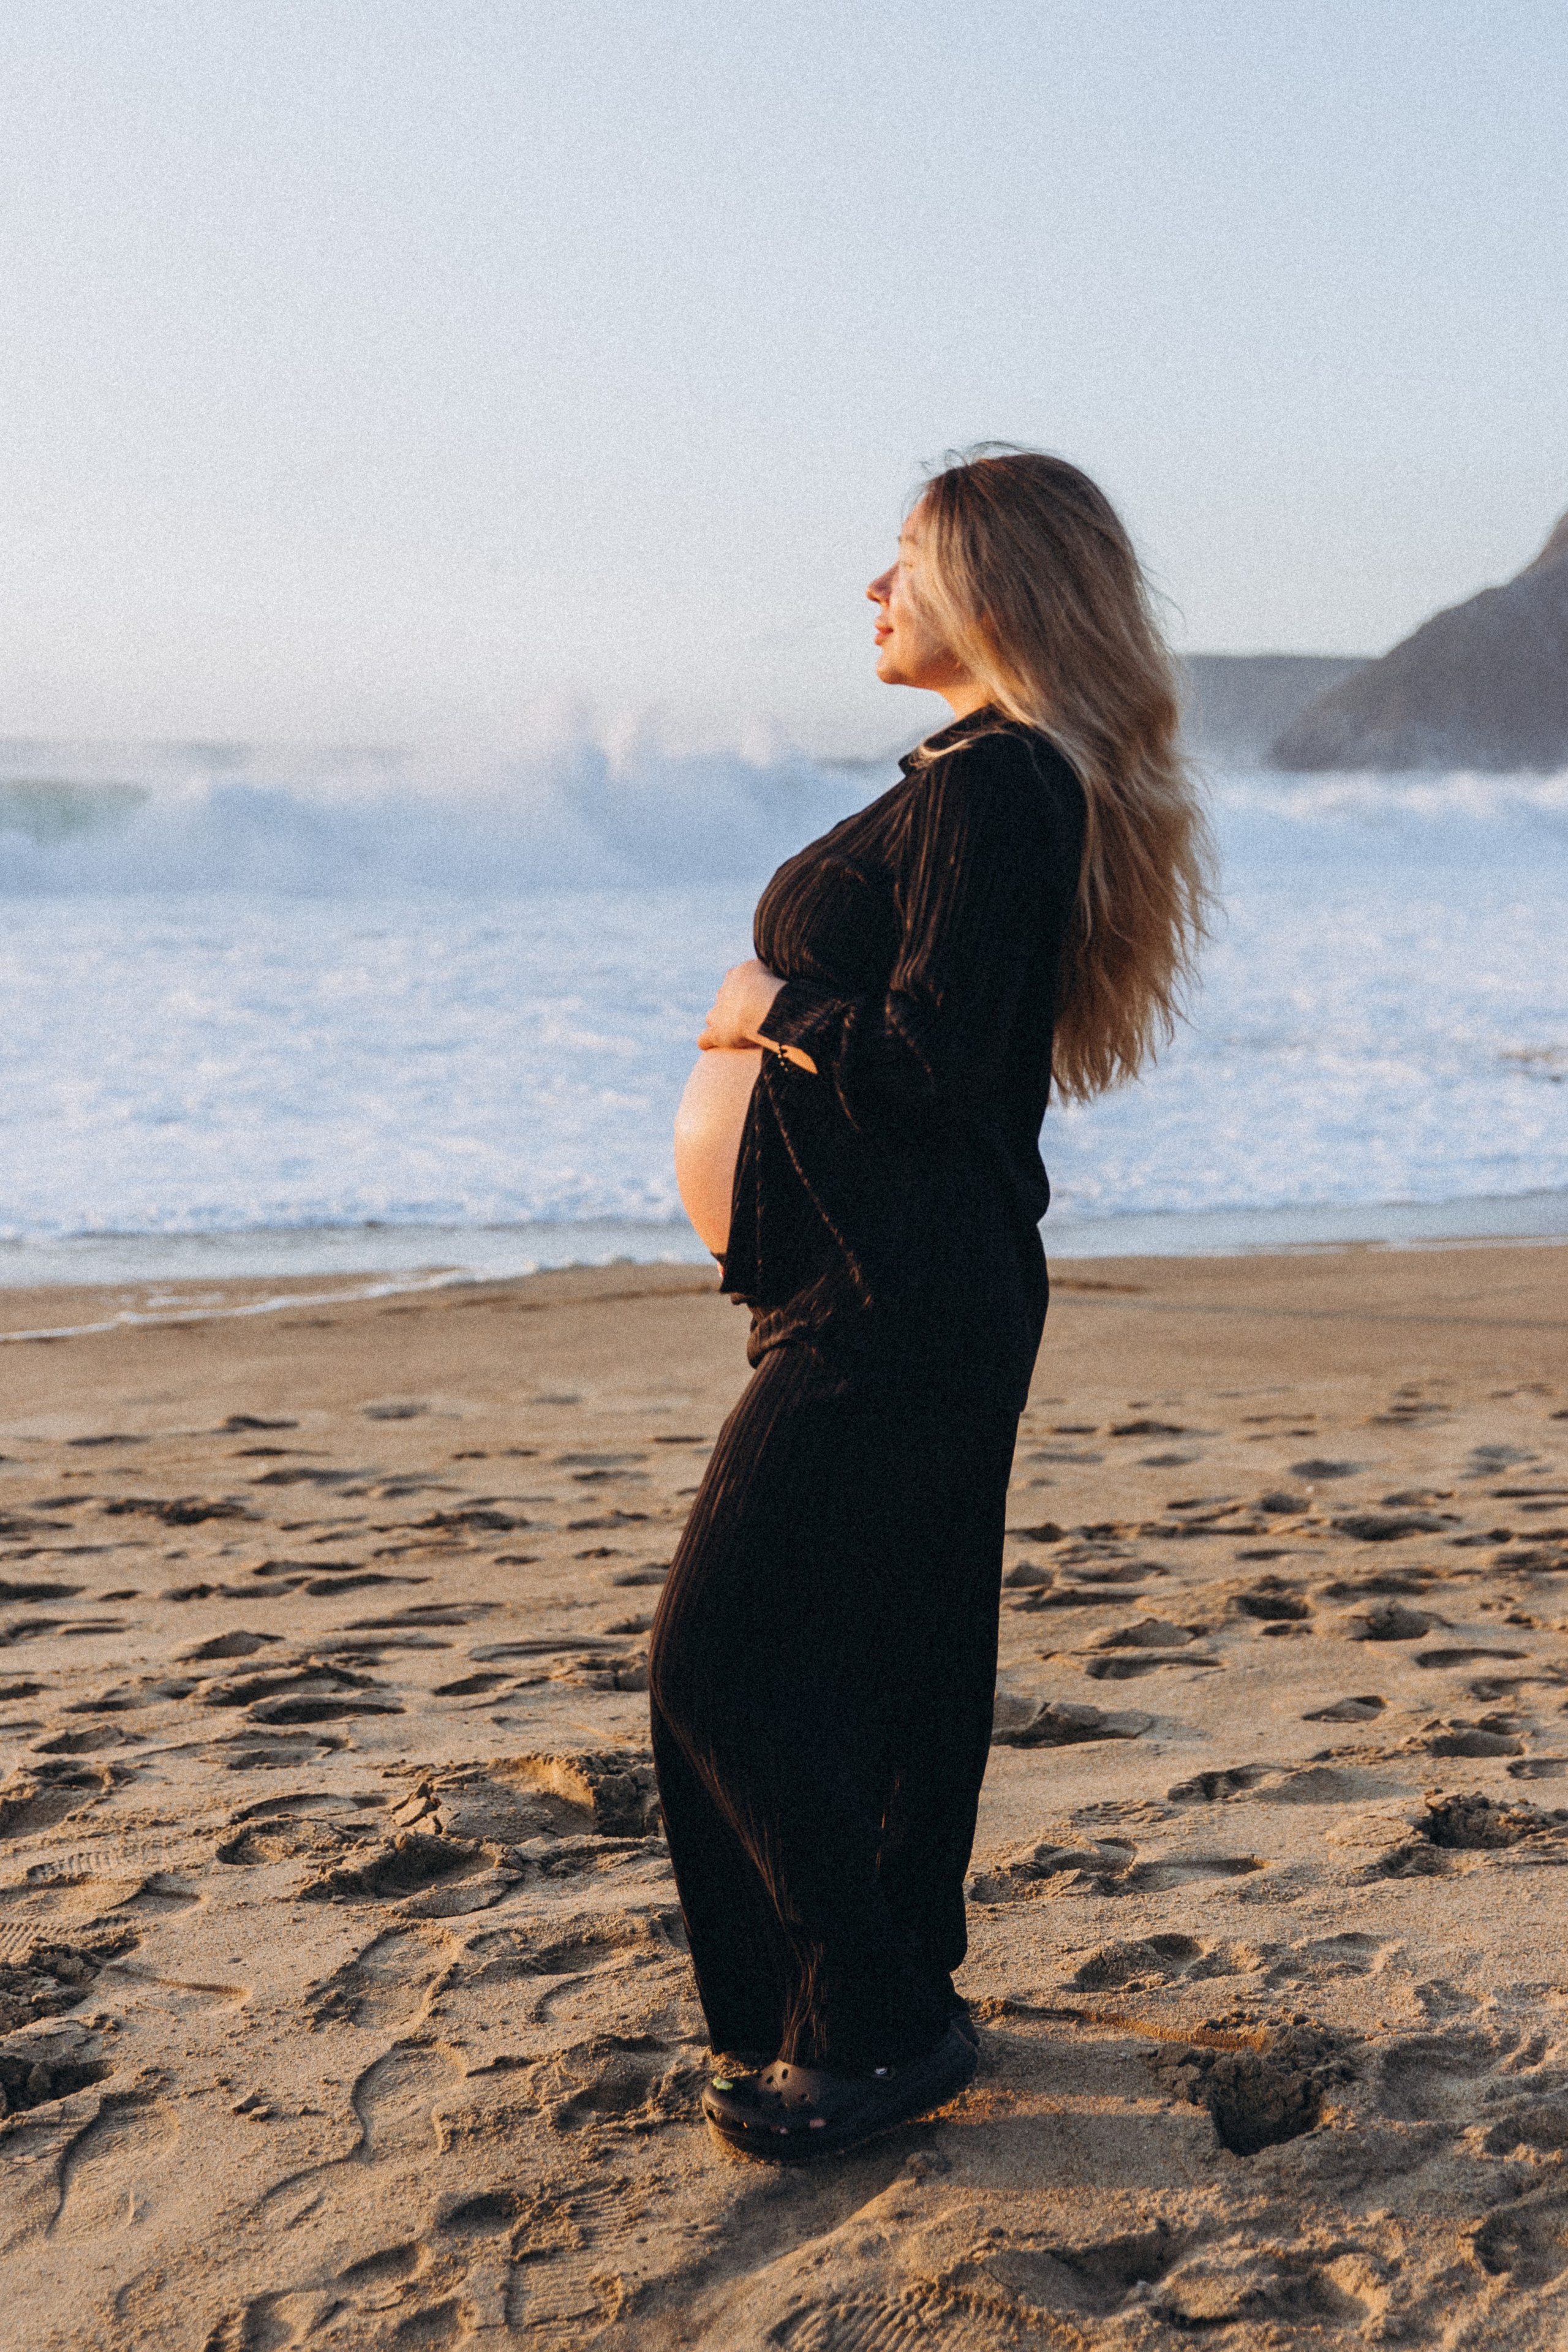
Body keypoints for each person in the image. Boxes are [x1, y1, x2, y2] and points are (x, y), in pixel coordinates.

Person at [649, 446, 1212, 2160]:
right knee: (890, 1656)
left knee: (723, 1654)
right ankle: (899, 1998)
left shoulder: (994, 786)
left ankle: (876, 2020)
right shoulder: (992, 777)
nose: (874, 591)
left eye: (904, 561)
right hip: (892, 1279)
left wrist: (767, 1008)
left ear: (994, 588)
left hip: (900, 1295)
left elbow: (935, 1063)